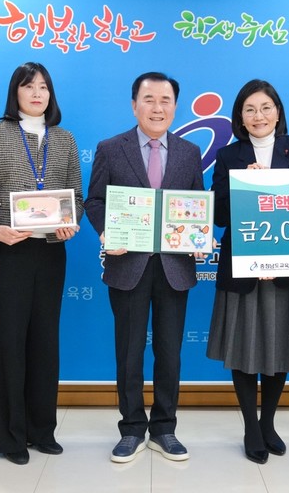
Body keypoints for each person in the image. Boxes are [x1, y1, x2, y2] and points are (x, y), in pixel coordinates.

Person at [85, 71, 203, 464]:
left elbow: (196, 203)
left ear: (175, 106)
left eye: (165, 100)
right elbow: (95, 201)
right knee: (129, 351)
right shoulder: (111, 148)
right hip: (128, 264)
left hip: (174, 267)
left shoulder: (189, 152)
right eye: (149, 99)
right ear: (134, 104)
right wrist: (107, 232)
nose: (157, 107)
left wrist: (198, 237)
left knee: (170, 352)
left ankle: (165, 428)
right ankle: (132, 429)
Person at [0, 62, 84, 465]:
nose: (37, 94)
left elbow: (77, 197)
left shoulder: (65, 139)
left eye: (43, 87)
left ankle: (42, 431)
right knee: (9, 344)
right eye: (28, 86)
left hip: (51, 253)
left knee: (44, 343)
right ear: (15, 92)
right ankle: (9, 437)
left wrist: (70, 223)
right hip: (9, 253)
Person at [206, 79, 289, 464]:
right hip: (244, 267)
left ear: (278, 112)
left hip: (287, 268)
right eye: (250, 109)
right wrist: (246, 187)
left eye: (266, 108)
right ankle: (250, 427)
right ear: (240, 117)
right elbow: (218, 216)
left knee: (279, 345)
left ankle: (268, 422)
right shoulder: (228, 155)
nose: (259, 116)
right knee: (243, 348)